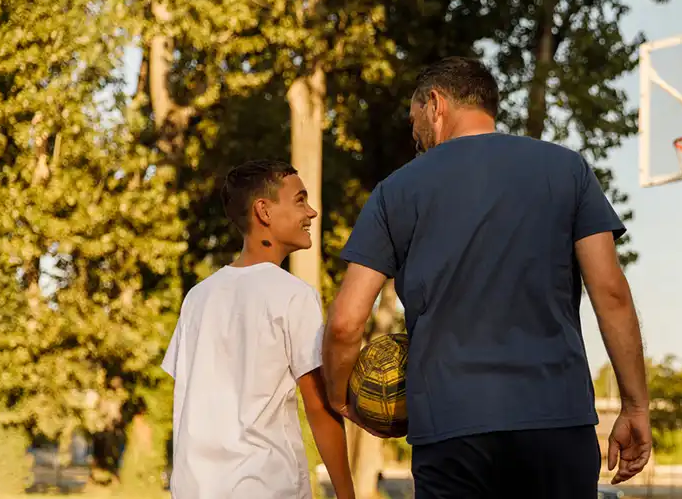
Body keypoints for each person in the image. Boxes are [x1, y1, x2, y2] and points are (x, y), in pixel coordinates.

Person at [322, 57, 651, 498]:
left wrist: (342, 395)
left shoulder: (395, 191)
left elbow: (345, 322)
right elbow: (611, 294)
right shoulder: (568, 170)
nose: (414, 133)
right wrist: (635, 405)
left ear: (435, 104)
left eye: (414, 117)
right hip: (556, 421)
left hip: (451, 428)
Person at [161, 160, 354, 499]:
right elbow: (318, 408)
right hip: (267, 487)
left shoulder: (197, 297)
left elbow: (188, 399)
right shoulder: (295, 296)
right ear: (263, 211)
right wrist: (347, 495)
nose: (311, 212)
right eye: (299, 200)